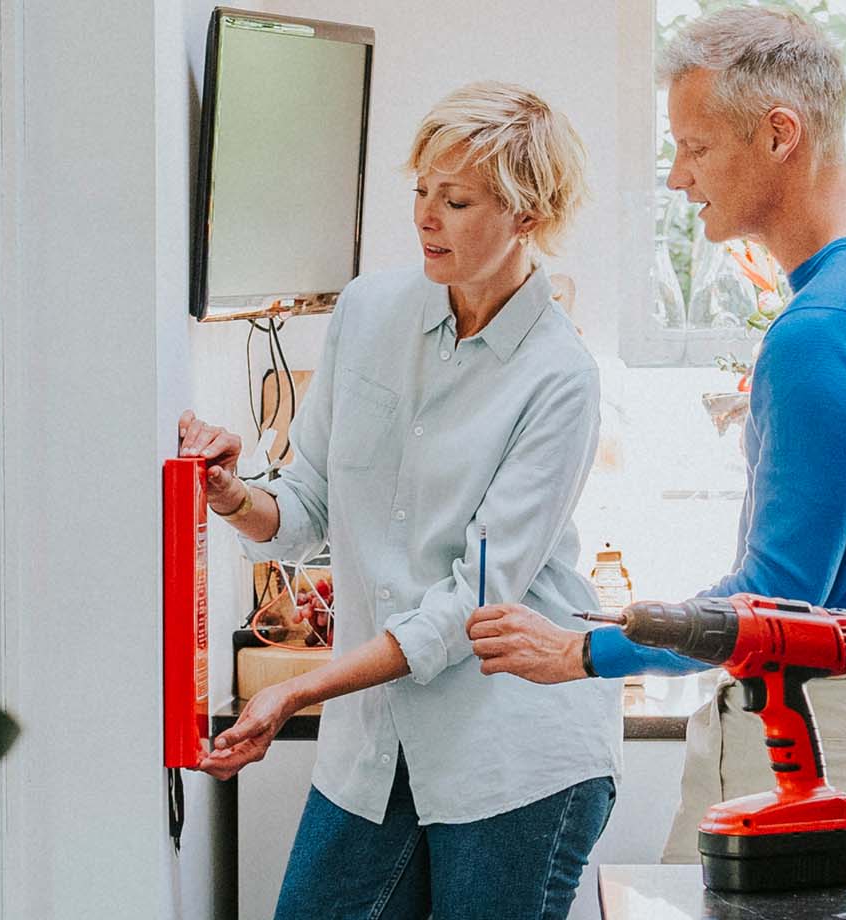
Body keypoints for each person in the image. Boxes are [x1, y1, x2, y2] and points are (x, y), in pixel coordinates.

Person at [465, 6, 846, 868]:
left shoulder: (821, 329)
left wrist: (582, 650)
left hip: (822, 731)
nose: (678, 177)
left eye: (696, 147)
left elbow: (777, 596)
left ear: (781, 134)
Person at [178, 81, 618, 920]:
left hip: (512, 756)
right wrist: (234, 494)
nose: (425, 216)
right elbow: (304, 505)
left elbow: (474, 605)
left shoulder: (558, 378)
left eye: (455, 201)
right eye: (420, 190)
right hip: (374, 745)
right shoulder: (367, 311)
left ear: (526, 217)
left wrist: (301, 690)